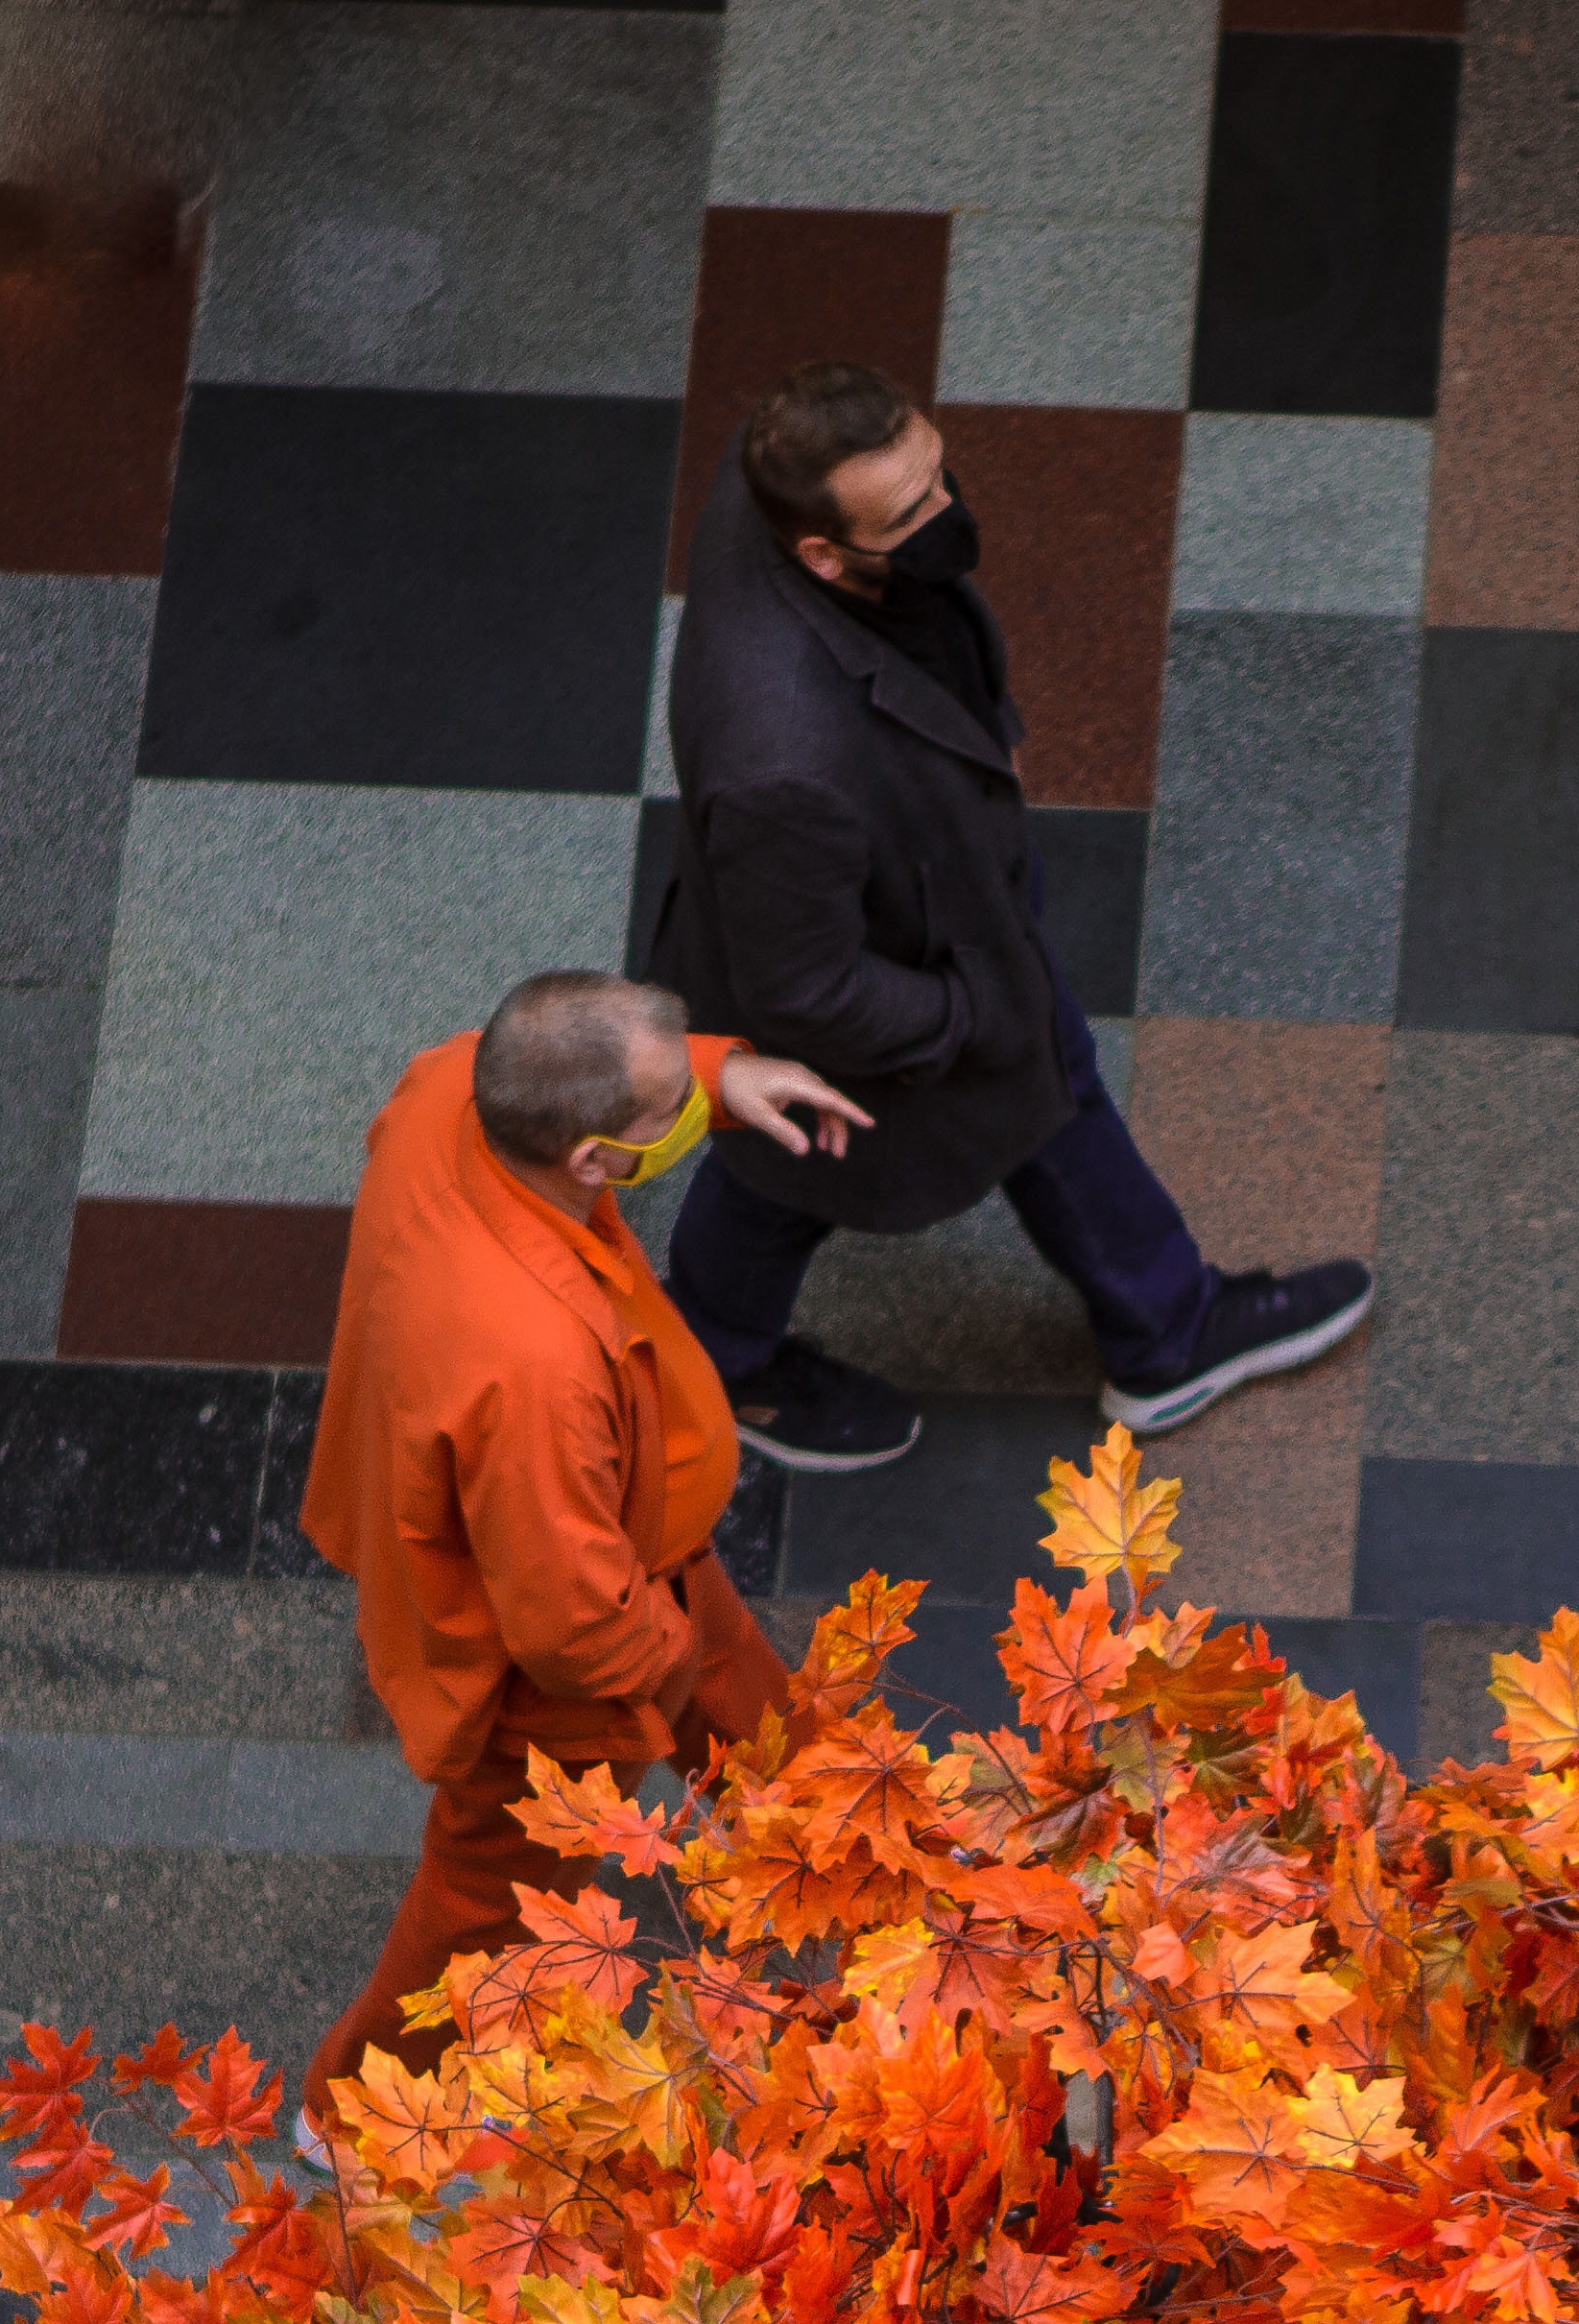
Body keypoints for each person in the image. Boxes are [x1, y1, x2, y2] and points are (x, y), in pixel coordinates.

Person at [648, 357, 1372, 1471]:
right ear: (821, 553)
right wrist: (967, 1016)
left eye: (939, 474)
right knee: (791, 1167)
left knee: (1025, 1098)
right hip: (881, 986)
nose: (947, 514)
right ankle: (713, 1363)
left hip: (928, 907)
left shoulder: (766, 482)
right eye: (910, 512)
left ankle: (1160, 1329)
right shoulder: (782, 761)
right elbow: (807, 987)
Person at [297, 970, 870, 2110]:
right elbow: (567, 1623)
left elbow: (559, 1056)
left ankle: (881, 1895)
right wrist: (660, 1653)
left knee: (779, 1747)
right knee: (488, 1898)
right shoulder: (535, 1365)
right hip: (572, 1663)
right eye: (674, 1118)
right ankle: (363, 2109)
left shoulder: (454, 1088)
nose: (692, 1122)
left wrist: (717, 1069)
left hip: (641, 1577)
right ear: (596, 1164)